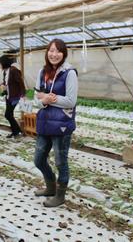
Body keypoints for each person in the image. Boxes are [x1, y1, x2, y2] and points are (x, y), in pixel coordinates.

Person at [33, 39, 78, 207]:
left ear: (63, 53)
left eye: (58, 51)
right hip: (44, 123)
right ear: (47, 52)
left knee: (60, 162)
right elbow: (35, 99)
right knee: (38, 160)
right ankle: (50, 186)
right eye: (51, 50)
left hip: (61, 124)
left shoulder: (70, 73)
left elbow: (71, 101)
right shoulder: (41, 72)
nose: (54, 54)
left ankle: (60, 195)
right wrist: (44, 100)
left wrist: (49, 98)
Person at [0, 55, 26, 138]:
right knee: (9, 114)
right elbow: (5, 82)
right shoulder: (5, 72)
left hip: (15, 96)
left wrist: (23, 94)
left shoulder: (13, 70)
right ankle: (15, 132)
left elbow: (20, 82)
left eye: (0, 64)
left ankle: (17, 131)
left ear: (4, 63)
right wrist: (2, 85)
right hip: (8, 96)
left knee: (8, 115)